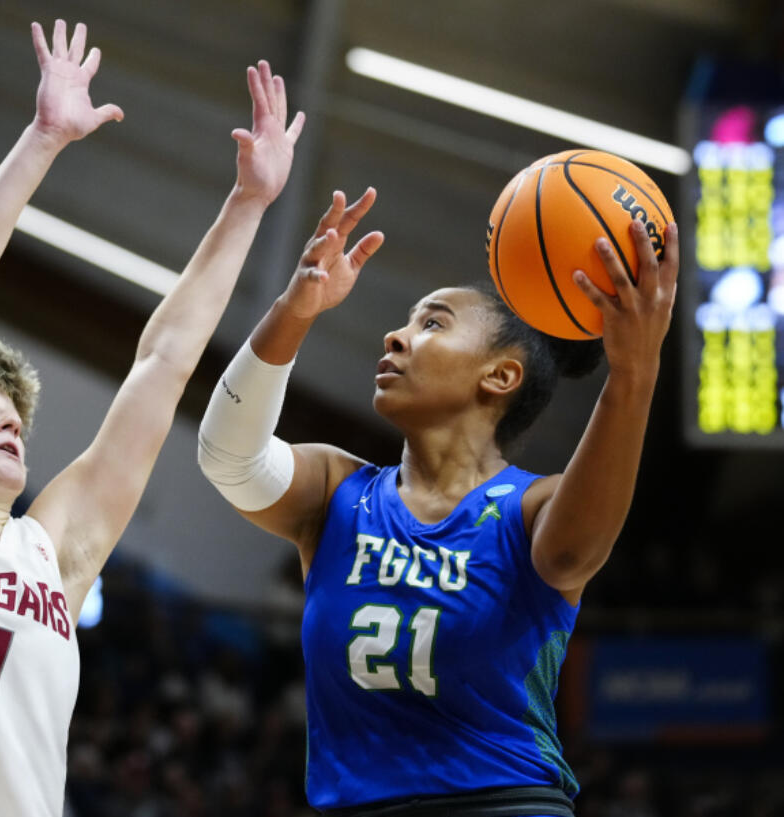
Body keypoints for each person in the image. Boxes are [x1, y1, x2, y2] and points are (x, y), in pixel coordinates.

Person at [0, 18, 304, 817]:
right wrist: (42, 140)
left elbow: (161, 367)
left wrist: (248, 205)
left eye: (16, 421)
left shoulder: (53, 552)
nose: (8, 426)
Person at [198, 190, 678, 815]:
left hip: (501, 803)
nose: (395, 336)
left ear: (500, 376)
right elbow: (228, 458)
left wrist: (634, 371)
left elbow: (572, 555)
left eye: (432, 324)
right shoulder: (336, 491)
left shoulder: (531, 505)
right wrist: (295, 308)